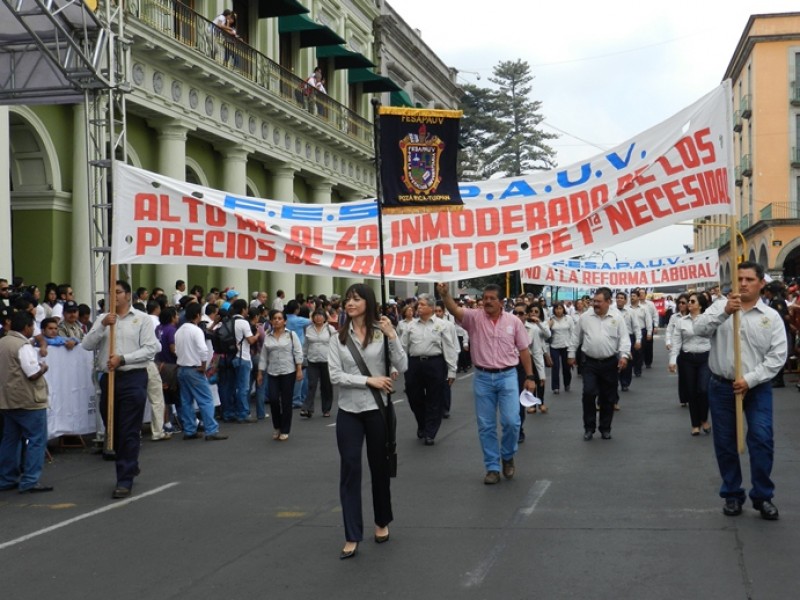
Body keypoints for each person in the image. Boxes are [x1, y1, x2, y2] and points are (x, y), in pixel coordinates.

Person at [693, 262, 786, 520]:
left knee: (762, 438)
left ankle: (763, 496)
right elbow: (698, 329)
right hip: (722, 385)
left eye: (749, 279)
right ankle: (732, 494)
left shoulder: (771, 317)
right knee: (725, 443)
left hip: (756, 388)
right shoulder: (719, 306)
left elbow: (777, 356)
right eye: (739, 279)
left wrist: (751, 379)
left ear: (760, 283)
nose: (743, 284)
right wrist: (723, 311)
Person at [328, 283, 407, 559]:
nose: (350, 303)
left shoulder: (381, 332)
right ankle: (351, 534)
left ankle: (382, 520)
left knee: (380, 466)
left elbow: (402, 364)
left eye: (356, 299)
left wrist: (392, 336)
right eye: (348, 299)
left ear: (368, 302)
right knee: (350, 469)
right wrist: (368, 380)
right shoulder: (337, 338)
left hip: (378, 410)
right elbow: (335, 376)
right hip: (348, 410)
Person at [437, 282, 535, 484]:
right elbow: (454, 309)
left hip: (507, 376)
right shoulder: (474, 317)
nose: (487, 302)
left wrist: (530, 377)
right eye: (485, 298)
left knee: (511, 421)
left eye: (492, 298)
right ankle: (492, 467)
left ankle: (507, 456)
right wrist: (445, 294)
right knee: (486, 426)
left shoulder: (514, 322)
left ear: (501, 302)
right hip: (482, 377)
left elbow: (524, 350)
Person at [82, 280, 159, 499]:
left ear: (128, 295)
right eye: (110, 292)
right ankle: (130, 462)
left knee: (128, 429)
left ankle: (124, 478)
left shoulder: (141, 319)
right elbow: (87, 344)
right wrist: (103, 325)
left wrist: (123, 359)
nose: (113, 296)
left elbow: (150, 349)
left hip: (133, 377)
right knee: (112, 428)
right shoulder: (102, 319)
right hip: (110, 378)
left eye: (117, 292)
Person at [567, 287, 631, 441]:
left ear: (609, 302)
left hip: (610, 363)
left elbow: (624, 339)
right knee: (588, 393)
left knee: (607, 397)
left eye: (599, 302)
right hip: (589, 363)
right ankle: (589, 428)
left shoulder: (617, 317)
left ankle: (605, 428)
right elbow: (576, 337)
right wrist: (570, 354)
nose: (595, 304)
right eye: (594, 301)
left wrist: (624, 356)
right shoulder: (585, 317)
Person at [0, 311, 52, 493]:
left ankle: (6, 478)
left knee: (10, 440)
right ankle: (30, 480)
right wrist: (43, 368)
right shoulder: (23, 345)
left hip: (6, 399)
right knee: (37, 439)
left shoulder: (2, 342)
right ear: (26, 327)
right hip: (28, 400)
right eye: (32, 326)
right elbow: (32, 373)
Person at [400, 293, 458, 446]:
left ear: (431, 307)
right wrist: (396, 366)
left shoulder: (443, 325)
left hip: (435, 363)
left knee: (434, 398)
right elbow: (403, 347)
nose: (419, 307)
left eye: (422, 305)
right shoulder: (410, 326)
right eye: (418, 304)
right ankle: (422, 423)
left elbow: (449, 348)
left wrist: (452, 370)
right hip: (414, 364)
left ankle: (430, 432)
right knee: (414, 397)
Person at [175, 303, 228, 441]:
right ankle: (211, 430)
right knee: (205, 400)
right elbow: (203, 350)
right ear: (198, 315)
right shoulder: (196, 330)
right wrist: (204, 366)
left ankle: (189, 429)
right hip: (194, 368)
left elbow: (176, 350)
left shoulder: (179, 331)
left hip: (182, 368)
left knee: (186, 401)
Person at [668, 292, 712, 436]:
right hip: (687, 358)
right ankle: (695, 424)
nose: (689, 304)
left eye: (692, 301)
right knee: (691, 392)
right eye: (688, 301)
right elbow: (676, 342)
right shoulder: (681, 321)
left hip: (705, 357)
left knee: (703, 390)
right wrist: (672, 360)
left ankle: (704, 418)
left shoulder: (708, 320)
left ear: (700, 304)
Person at [257, 310, 303, 441]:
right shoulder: (268, 336)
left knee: (287, 401)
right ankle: (277, 426)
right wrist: (260, 372)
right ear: (271, 321)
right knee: (273, 400)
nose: (277, 321)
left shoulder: (291, 335)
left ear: (284, 321)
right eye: (274, 318)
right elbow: (263, 356)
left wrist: (299, 368)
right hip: (272, 372)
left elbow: (298, 352)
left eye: (279, 318)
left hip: (288, 371)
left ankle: (285, 429)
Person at [302, 309, 336, 418]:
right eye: (316, 315)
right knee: (311, 385)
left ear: (324, 317)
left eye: (320, 315)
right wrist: (303, 358)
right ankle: (307, 409)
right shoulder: (308, 329)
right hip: (312, 361)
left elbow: (336, 345)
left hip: (327, 361)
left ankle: (326, 409)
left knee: (326, 386)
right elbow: (306, 345)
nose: (318, 318)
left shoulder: (330, 329)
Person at [547, 301, 573, 395]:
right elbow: (546, 333)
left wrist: (572, 347)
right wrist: (549, 326)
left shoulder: (568, 319)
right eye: (556, 309)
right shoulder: (551, 319)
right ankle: (555, 387)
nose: (558, 311)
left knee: (566, 367)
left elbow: (572, 332)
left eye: (560, 308)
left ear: (563, 309)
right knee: (555, 367)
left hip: (566, 345)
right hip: (554, 345)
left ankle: (567, 383)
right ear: (554, 310)